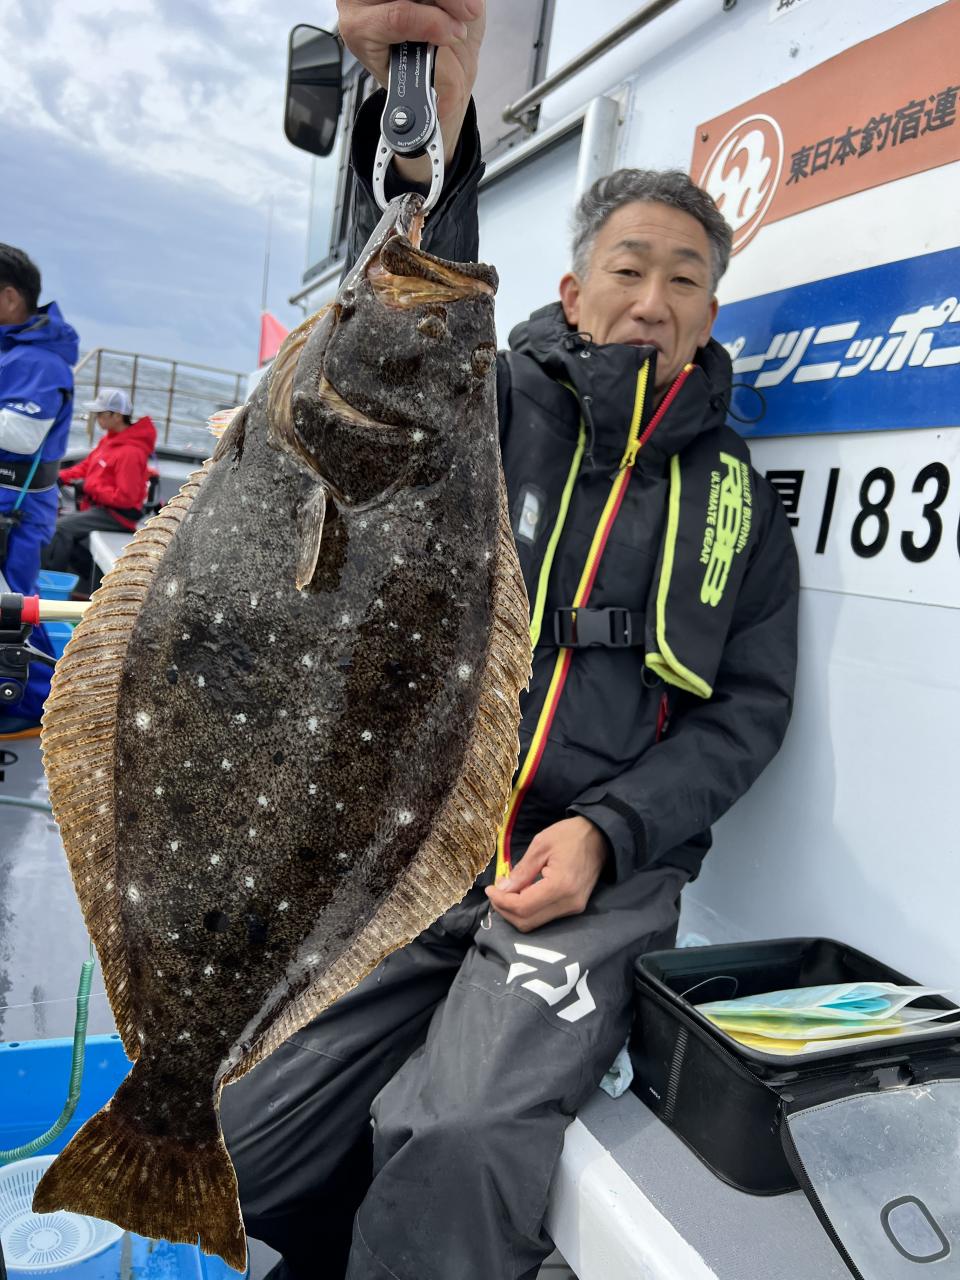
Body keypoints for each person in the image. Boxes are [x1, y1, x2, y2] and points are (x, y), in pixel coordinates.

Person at [220, 3, 800, 1278]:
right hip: (410, 838)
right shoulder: (485, 396)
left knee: (464, 1133)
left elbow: (747, 710)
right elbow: (409, 300)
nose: (654, 299)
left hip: (591, 874)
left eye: (687, 276)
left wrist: (609, 832)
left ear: (712, 307)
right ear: (572, 288)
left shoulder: (741, 498)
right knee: (241, 1129)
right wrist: (425, 105)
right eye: (630, 267)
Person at [0, 244, 79, 739]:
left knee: (13, 608)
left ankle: (34, 703)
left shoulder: (40, 363)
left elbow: (22, 434)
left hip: (12, 512)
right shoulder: (17, 354)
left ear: (10, 299)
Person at [43, 388, 157, 584]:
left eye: (100, 414)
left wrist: (88, 487)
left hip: (117, 516)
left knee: (60, 529)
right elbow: (86, 467)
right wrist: (59, 477)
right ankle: (90, 582)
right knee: (59, 525)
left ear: (117, 416)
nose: (96, 418)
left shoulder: (130, 453)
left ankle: (50, 584)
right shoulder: (110, 440)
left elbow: (126, 499)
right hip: (101, 509)